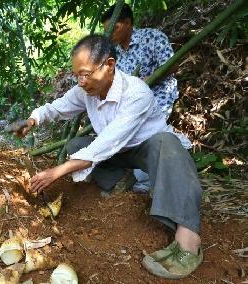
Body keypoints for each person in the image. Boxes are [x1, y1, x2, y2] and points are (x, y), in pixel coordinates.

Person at [15, 35, 203, 279]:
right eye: (77, 76)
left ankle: (189, 241)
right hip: (120, 154)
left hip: (152, 151)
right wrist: (32, 120)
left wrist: (58, 171)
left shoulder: (136, 93)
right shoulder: (87, 91)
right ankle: (125, 180)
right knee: (77, 143)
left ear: (110, 65)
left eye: (86, 74)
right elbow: (57, 107)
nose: (81, 82)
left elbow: (106, 143)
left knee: (166, 143)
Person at [101, 4, 184, 193]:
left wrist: (145, 81)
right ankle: (134, 175)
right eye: (107, 31)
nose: (110, 34)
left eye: (114, 28)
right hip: (130, 104)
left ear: (128, 23)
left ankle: (142, 178)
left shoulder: (152, 37)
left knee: (151, 137)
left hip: (158, 97)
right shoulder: (115, 55)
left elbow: (171, 65)